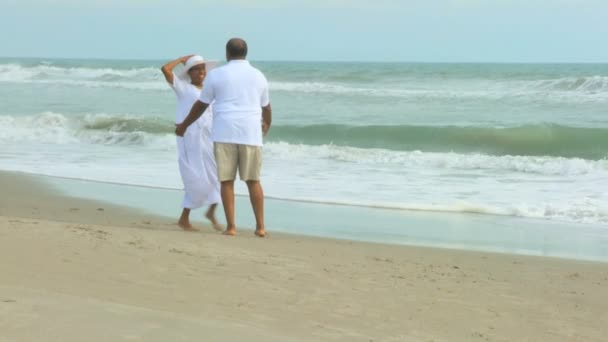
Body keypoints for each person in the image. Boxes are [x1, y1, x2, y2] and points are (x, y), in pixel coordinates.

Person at [175, 38, 272, 237]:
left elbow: (201, 105)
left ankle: (232, 227)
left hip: (224, 132)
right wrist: (266, 124)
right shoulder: (258, 76)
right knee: (253, 180)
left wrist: (184, 125)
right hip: (251, 134)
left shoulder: (217, 75)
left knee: (227, 181)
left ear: (227, 54)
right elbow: (266, 107)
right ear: (246, 53)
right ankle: (260, 227)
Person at [161, 55, 221, 232]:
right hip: (191, 138)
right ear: (189, 73)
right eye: (196, 68)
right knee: (195, 176)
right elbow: (165, 69)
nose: (201, 72)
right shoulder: (183, 88)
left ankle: (211, 211)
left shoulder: (211, 90)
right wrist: (181, 59)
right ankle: (184, 218)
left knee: (217, 174)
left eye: (203, 68)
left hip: (210, 137)